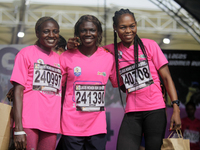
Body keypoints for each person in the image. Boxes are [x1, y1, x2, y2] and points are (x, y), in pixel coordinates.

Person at [66, 8, 181, 150]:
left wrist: (176, 108)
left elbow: (167, 78)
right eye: (123, 27)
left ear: (136, 25)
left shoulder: (150, 45)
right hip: (132, 111)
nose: (128, 31)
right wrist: (69, 46)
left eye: (132, 26)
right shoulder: (110, 50)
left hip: (155, 110)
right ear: (115, 28)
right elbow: (90, 49)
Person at [60, 15, 122, 150]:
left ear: (98, 33)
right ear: (77, 33)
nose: (88, 34)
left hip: (97, 127)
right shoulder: (65, 56)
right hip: (71, 125)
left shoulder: (109, 58)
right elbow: (59, 89)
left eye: (92, 30)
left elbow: (119, 83)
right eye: (83, 30)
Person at [10, 16, 62, 150]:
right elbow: (18, 91)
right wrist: (19, 128)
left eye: (55, 31)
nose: (51, 35)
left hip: (51, 123)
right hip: (28, 122)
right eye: (46, 31)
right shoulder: (25, 54)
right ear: (37, 33)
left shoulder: (60, 60)